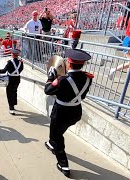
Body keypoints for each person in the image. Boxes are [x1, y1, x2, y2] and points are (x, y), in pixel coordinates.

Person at [44, 49, 93, 177]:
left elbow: (48, 90)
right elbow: (82, 96)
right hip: (76, 112)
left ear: (69, 64)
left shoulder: (62, 80)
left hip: (61, 112)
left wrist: (50, 77)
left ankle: (63, 164)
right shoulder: (88, 78)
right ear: (82, 64)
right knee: (57, 131)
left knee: (58, 136)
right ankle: (51, 142)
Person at [0, 49, 24, 115]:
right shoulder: (21, 62)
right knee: (15, 91)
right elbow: (21, 69)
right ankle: (13, 105)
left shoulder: (10, 62)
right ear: (18, 55)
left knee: (9, 93)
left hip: (10, 79)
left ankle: (11, 108)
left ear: (12, 55)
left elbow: (4, 71)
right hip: (17, 78)